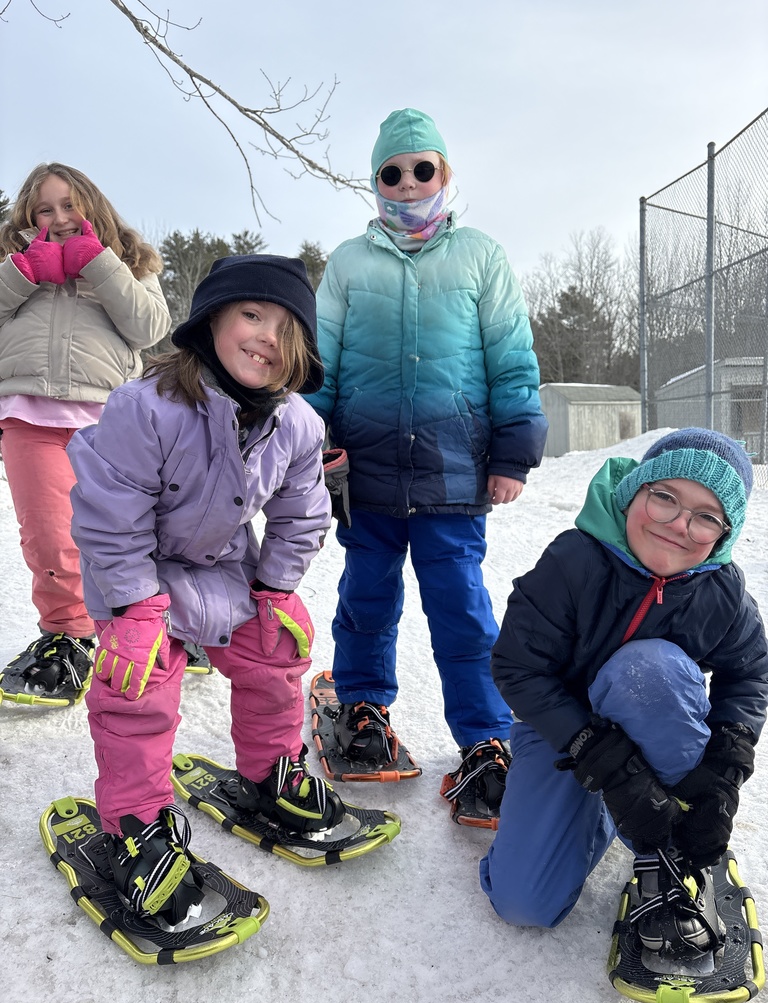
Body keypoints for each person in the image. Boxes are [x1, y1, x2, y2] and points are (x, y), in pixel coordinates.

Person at [66, 253, 352, 925]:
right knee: (137, 679)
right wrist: (135, 605)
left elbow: (303, 511)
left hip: (221, 568)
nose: (266, 339)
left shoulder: (299, 426)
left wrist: (278, 587)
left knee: (275, 652)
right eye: (252, 315)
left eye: (288, 329)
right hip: (135, 572)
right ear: (212, 322)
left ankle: (267, 774)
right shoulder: (147, 407)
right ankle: (135, 826)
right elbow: (110, 510)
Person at [306, 108, 548, 816]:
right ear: (375, 181)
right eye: (393, 171)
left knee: (463, 613)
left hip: (454, 472)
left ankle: (484, 738)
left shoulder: (481, 257)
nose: (408, 182)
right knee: (367, 599)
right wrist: (314, 443)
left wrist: (513, 454)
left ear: (444, 174)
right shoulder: (350, 262)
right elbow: (318, 365)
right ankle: (362, 707)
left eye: (423, 168)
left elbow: (511, 360)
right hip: (368, 474)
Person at [480, 428, 768, 958]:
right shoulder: (573, 561)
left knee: (646, 667)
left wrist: (726, 765)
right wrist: (598, 756)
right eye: (666, 498)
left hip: (653, 715)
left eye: (707, 516)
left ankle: (676, 853)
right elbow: (518, 668)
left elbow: (749, 674)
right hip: (563, 732)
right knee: (525, 904)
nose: (680, 525)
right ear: (635, 492)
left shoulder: (723, 591)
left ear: (724, 534)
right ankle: (617, 806)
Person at [0, 162, 171, 704]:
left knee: (127, 534)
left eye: (69, 205)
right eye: (44, 209)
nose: (59, 218)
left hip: (111, 420)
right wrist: (23, 273)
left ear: (91, 205)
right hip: (29, 417)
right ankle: (69, 637)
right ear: (29, 217)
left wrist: (99, 264)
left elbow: (149, 327)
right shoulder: (10, 263)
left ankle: (154, 625)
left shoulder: (128, 261)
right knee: (50, 537)